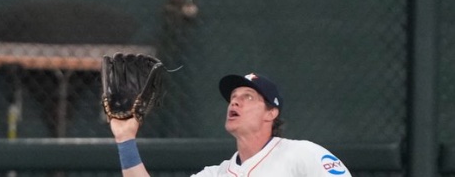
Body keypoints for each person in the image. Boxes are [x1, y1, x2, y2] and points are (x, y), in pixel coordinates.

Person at [110, 73, 352, 177]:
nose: (235, 100)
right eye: (233, 96)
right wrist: (125, 140)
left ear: (271, 113)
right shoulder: (217, 173)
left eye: (248, 96)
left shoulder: (301, 154)